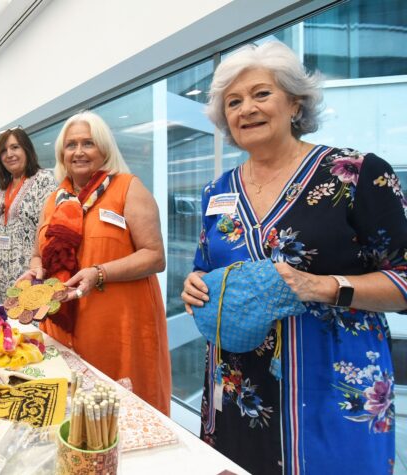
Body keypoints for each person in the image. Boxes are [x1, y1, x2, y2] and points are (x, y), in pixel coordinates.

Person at [181, 41, 406, 474]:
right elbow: (205, 266)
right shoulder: (217, 191)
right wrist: (194, 284)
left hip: (332, 383)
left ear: (295, 103)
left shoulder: (357, 174)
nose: (246, 108)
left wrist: (324, 286)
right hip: (240, 385)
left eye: (261, 94)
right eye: (234, 101)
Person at [24, 111, 171, 415]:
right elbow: (39, 252)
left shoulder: (128, 188)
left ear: (104, 148)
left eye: (88, 143)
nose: (78, 152)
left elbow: (155, 256)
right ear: (61, 153)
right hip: (62, 324)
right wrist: (35, 268)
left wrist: (99, 273)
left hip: (119, 327)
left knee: (124, 414)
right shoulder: (54, 200)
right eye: (71, 144)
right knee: (73, 414)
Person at [0, 128, 56, 300]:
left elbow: (50, 227)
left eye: (15, 147)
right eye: (3, 151)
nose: (9, 154)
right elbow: (2, 225)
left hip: (27, 279)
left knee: (26, 325)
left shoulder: (44, 180)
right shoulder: (3, 188)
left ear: (26, 150)